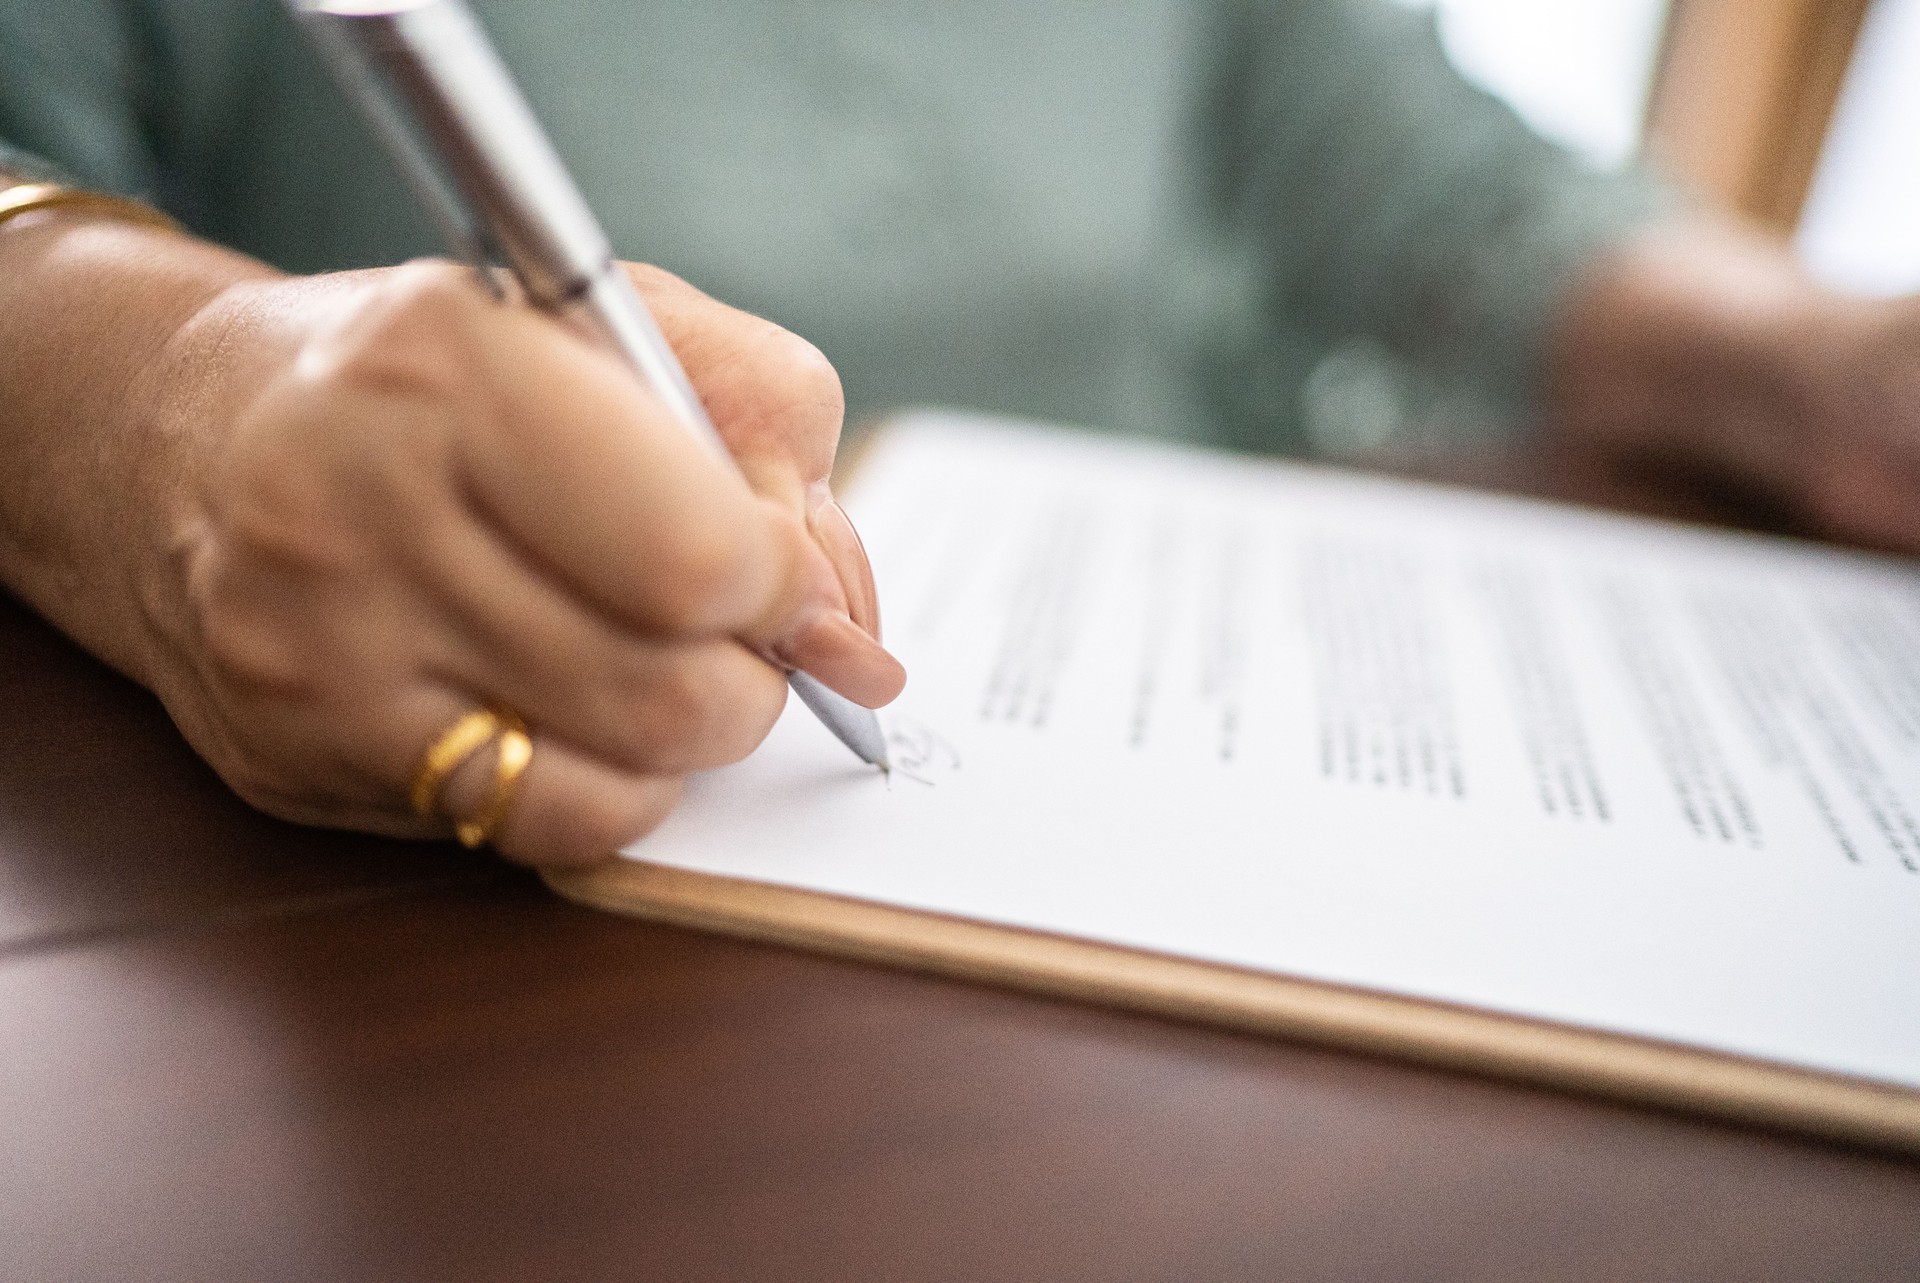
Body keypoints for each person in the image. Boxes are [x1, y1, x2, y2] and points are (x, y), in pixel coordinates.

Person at [3, 0, 1917, 866]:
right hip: (422, 899)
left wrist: (1826, 364)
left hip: (1220, 749)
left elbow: (1419, 180)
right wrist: (182, 395)